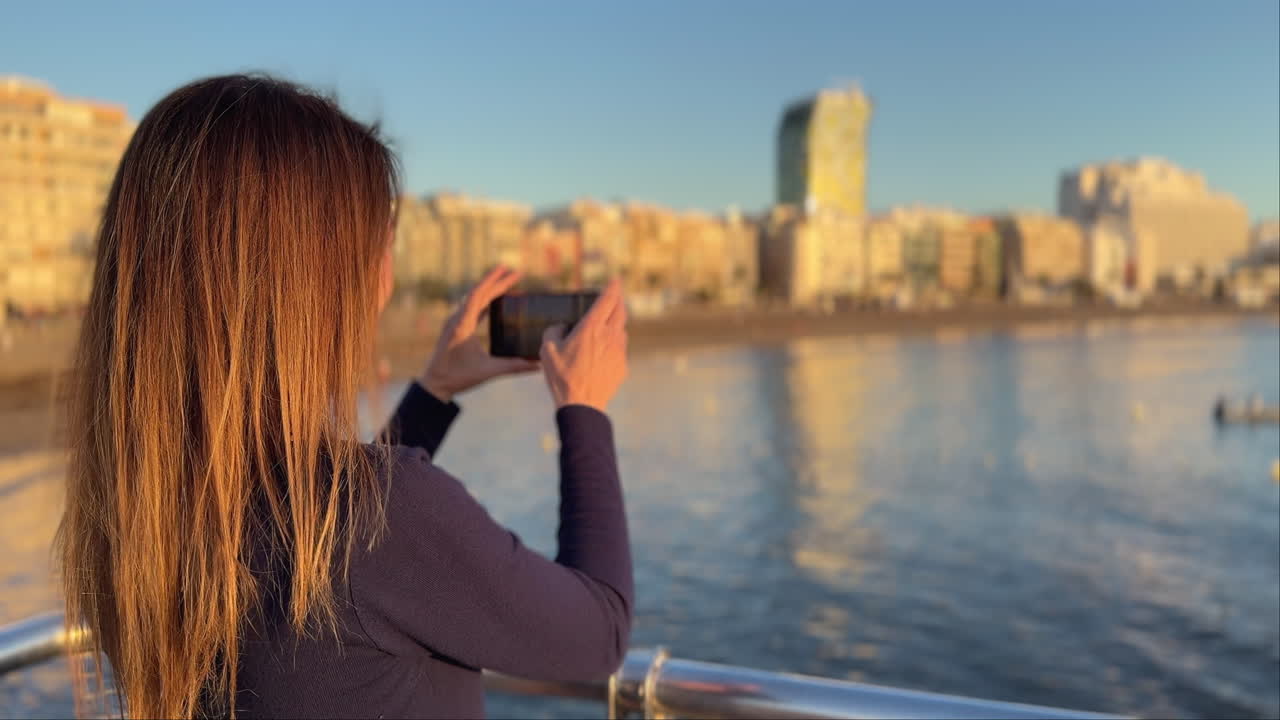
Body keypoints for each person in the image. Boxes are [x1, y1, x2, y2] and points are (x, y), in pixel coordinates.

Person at [55, 74, 632, 720]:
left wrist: (435, 391)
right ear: (311, 282)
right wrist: (583, 408)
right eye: (375, 241)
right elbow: (599, 630)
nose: (385, 270)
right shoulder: (385, 514)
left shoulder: (147, 508)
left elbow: (330, 531)